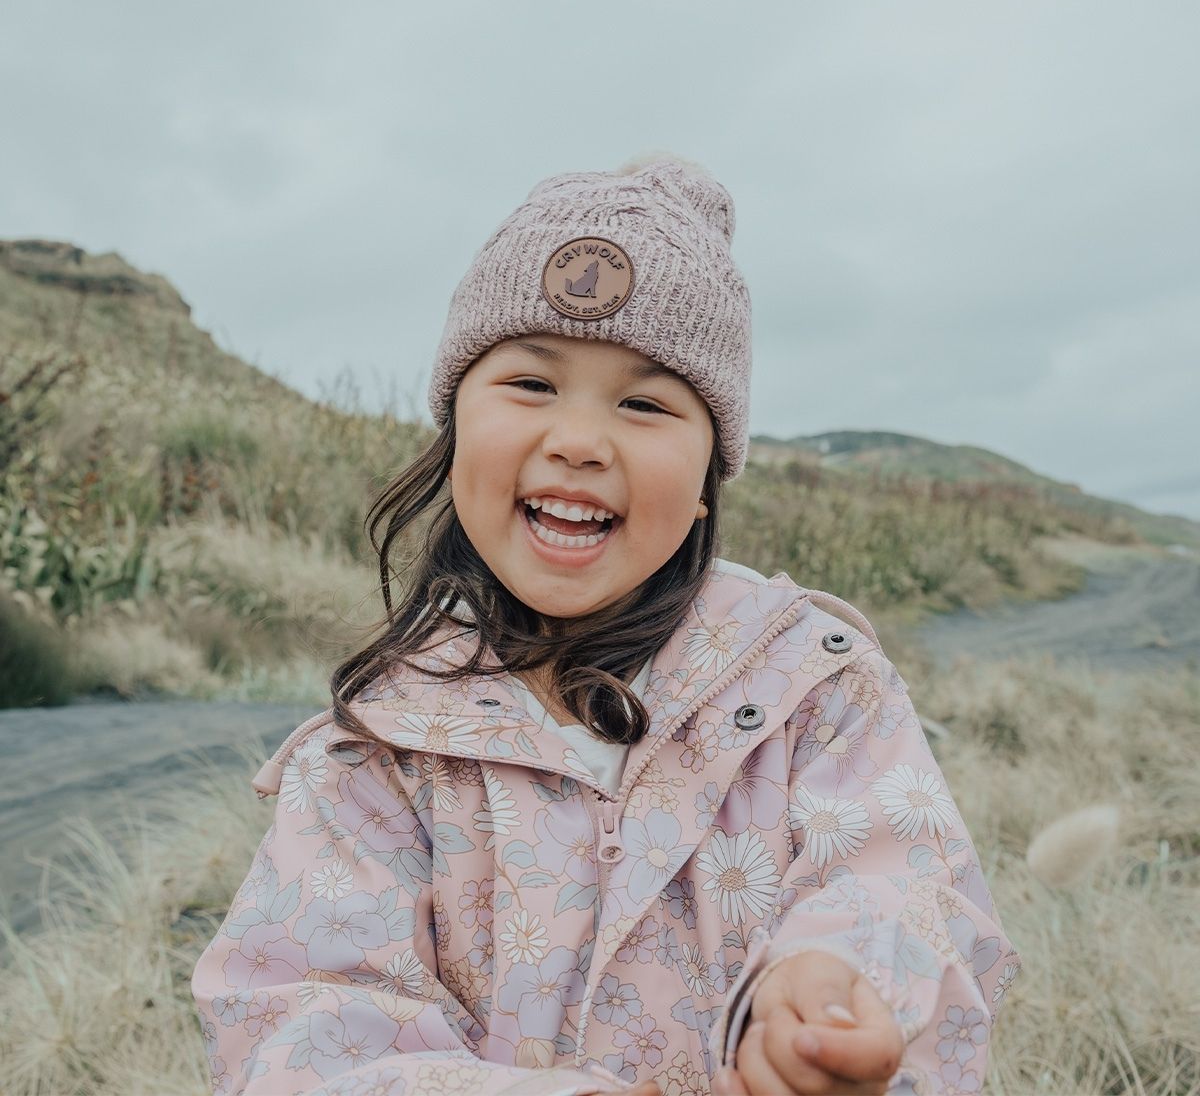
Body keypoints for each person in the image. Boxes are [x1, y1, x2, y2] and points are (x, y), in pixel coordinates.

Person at [192, 154, 1020, 1095]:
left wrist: (834, 983)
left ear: (708, 480)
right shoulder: (375, 753)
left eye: (645, 403)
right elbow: (299, 1027)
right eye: (531, 386)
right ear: (455, 426)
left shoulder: (817, 688)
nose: (580, 441)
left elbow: (907, 890)